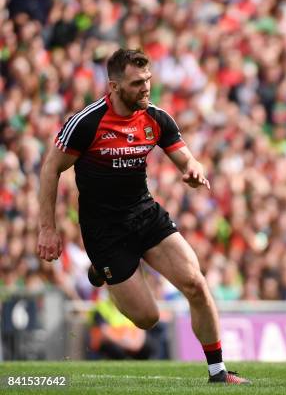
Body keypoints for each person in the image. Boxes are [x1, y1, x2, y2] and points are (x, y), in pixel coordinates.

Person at [37, 49, 249, 384]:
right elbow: (50, 169)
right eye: (137, 83)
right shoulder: (86, 123)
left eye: (148, 80)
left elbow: (187, 159)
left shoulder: (155, 117)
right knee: (148, 318)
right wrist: (47, 229)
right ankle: (105, 272)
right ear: (114, 86)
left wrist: (194, 171)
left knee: (196, 283)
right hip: (105, 231)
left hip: (145, 214)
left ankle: (218, 371)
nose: (146, 88)